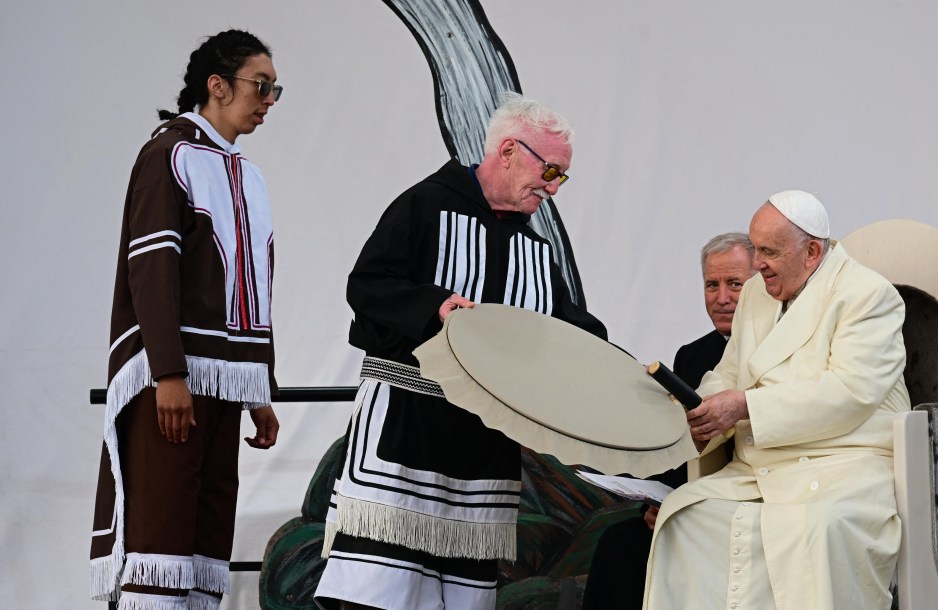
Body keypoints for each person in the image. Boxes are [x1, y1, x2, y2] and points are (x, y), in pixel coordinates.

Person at [313, 92, 606, 610]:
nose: (555, 188)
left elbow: (569, 327)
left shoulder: (536, 247)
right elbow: (368, 285)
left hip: (481, 453)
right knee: (379, 596)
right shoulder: (423, 205)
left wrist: (626, 374)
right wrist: (435, 307)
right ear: (510, 151)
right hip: (407, 435)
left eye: (562, 176)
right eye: (552, 170)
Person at [89, 30, 283, 610]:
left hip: (222, 386)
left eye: (276, 89)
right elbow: (151, 271)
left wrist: (258, 391)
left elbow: (250, 287)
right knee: (162, 533)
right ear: (216, 86)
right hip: (170, 379)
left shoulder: (247, 174)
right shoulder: (168, 155)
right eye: (261, 85)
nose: (269, 99)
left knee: (205, 541)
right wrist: (167, 373)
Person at [644, 191, 911, 610]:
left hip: (844, 465)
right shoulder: (756, 292)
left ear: (811, 252)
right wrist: (703, 410)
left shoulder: (867, 295)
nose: (757, 264)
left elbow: (849, 392)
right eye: (757, 250)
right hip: (760, 466)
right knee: (682, 516)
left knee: (818, 526)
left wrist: (745, 406)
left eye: (768, 252)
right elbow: (728, 373)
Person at [581, 232, 755, 610]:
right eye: (712, 285)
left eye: (734, 285)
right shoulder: (692, 355)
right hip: (690, 502)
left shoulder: (777, 348)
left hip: (751, 506)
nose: (722, 298)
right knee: (620, 543)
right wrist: (656, 504)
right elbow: (682, 446)